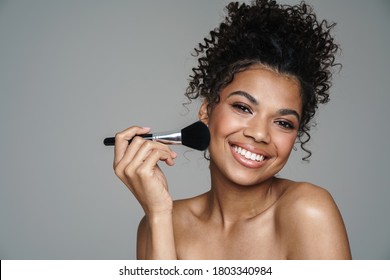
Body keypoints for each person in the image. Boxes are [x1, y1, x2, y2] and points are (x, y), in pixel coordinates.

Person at [112, 0, 351, 259]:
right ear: (206, 111)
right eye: (243, 107)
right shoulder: (161, 220)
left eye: (283, 123)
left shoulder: (308, 211)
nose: (260, 134)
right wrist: (158, 215)